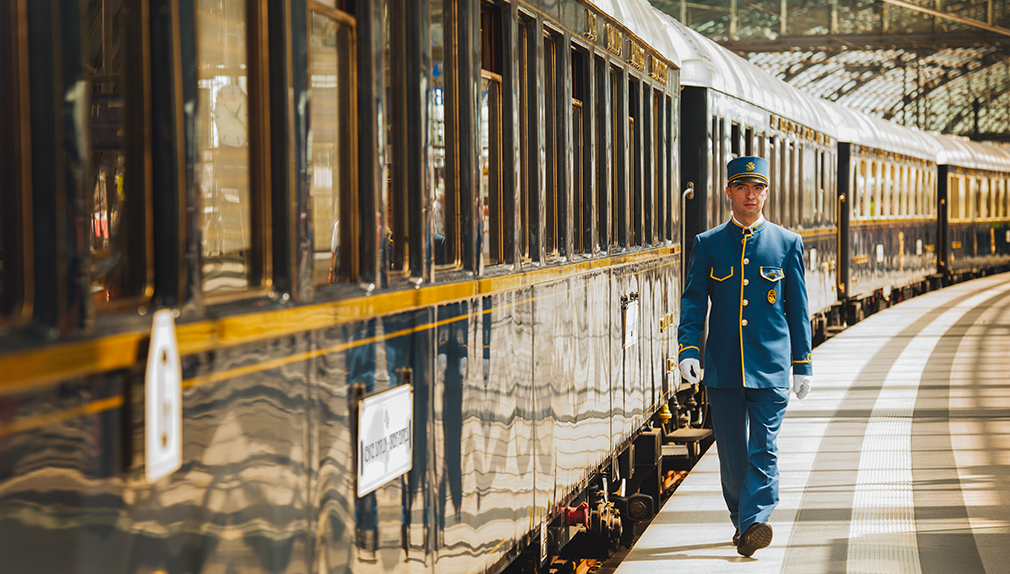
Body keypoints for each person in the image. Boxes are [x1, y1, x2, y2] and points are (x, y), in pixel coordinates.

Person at [677, 155, 813, 558]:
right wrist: (688, 349)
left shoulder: (788, 243)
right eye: (742, 187)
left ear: (766, 193)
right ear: (729, 193)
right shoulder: (708, 243)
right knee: (733, 455)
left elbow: (798, 309)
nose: (750, 195)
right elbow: (693, 303)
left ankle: (755, 521)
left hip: (770, 369)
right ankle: (743, 521)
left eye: (757, 188)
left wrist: (801, 363)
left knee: (764, 448)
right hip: (723, 367)